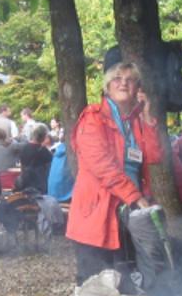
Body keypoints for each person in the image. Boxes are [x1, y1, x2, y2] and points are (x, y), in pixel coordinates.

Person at [66, 60, 165, 283]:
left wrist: (147, 117)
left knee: (127, 280)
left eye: (130, 80)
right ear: (107, 86)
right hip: (98, 212)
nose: (123, 83)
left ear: (138, 88)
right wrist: (135, 197)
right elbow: (102, 166)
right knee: (95, 284)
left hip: (129, 212)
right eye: (117, 79)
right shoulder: (93, 118)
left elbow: (155, 156)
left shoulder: (136, 121)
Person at [15, 123, 53, 194]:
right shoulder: (44, 151)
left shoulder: (24, 148)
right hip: (39, 186)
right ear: (43, 137)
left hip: (25, 183)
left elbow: (22, 165)